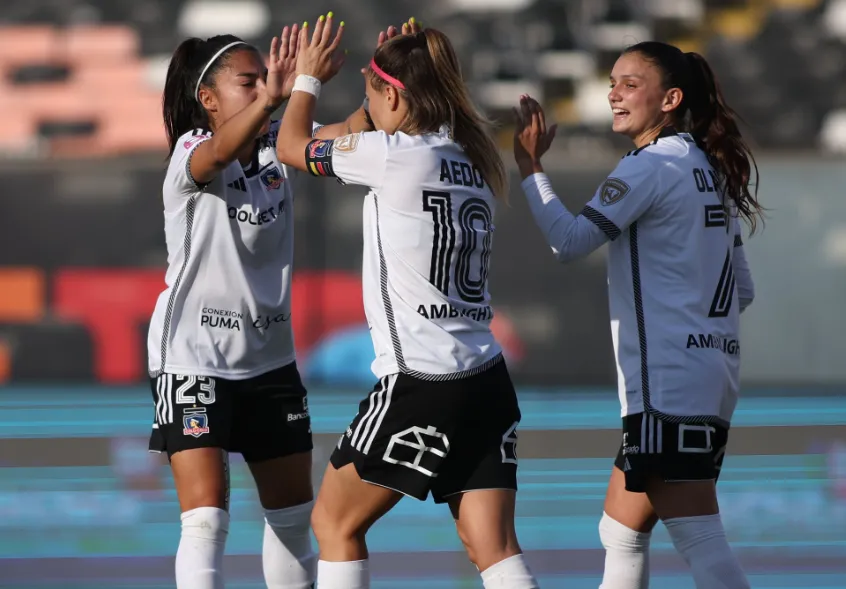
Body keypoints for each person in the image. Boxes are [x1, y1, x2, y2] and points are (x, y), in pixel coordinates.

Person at [273, 14, 540, 589]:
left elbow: (291, 145)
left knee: (333, 524)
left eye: (373, 94)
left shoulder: (392, 155)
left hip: (422, 381)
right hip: (486, 377)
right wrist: (387, 84)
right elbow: (384, 122)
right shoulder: (470, 156)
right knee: (491, 547)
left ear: (393, 95)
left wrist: (307, 79)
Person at [512, 42, 761, 589]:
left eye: (630, 83)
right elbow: (741, 289)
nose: (613, 94)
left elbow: (570, 241)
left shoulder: (649, 167)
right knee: (620, 529)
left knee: (698, 534)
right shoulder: (708, 169)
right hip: (710, 377)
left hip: (670, 383)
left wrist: (531, 169)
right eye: (612, 81)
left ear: (670, 99)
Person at [149, 21, 372, 589]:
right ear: (208, 99)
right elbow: (221, 151)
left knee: (295, 520)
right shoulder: (193, 150)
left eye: (263, 81)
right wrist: (283, 92)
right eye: (248, 82)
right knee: (206, 520)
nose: (263, 88)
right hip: (194, 358)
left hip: (269, 362)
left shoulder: (277, 145)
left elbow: (350, 131)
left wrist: (387, 80)